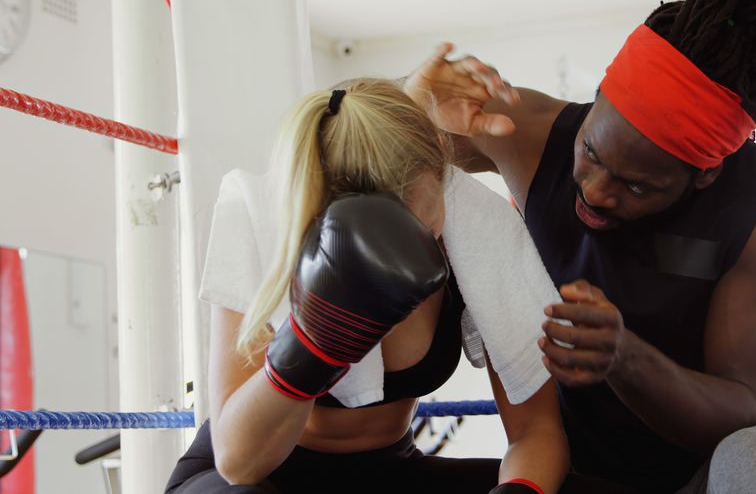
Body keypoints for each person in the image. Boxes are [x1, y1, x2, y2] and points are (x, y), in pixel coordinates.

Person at [402, 0, 756, 493]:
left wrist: (624, 357)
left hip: (728, 454)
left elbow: (741, 409)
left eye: (636, 186)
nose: (595, 190)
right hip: (589, 463)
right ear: (596, 100)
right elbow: (369, 148)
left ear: (704, 174)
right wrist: (412, 103)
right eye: (590, 153)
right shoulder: (533, 134)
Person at [166, 79, 568, 493]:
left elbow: (535, 430)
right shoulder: (262, 223)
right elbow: (237, 463)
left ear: (438, 170)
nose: (386, 248)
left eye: (402, 225)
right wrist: (311, 344)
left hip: (391, 473)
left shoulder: (476, 230)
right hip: (257, 476)